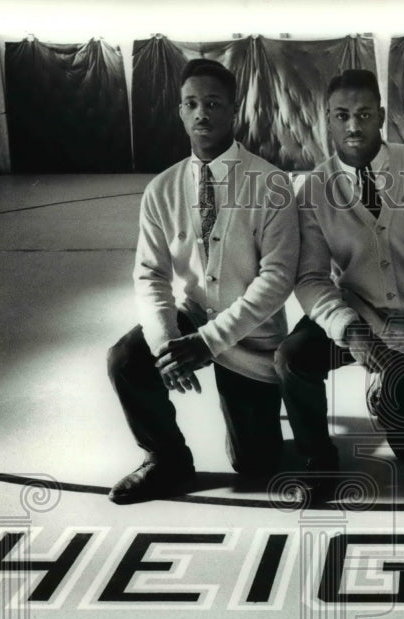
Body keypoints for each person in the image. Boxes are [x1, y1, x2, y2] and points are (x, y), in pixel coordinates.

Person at [274, 68, 404, 509]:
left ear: (381, 115)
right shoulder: (314, 190)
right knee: (291, 358)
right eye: (341, 115)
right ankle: (319, 461)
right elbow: (309, 278)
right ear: (326, 118)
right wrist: (348, 329)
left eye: (364, 114)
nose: (353, 126)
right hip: (362, 319)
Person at [107, 59, 299, 503]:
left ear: (234, 111)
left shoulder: (271, 183)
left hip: (250, 336)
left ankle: (252, 410)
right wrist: (166, 345)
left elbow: (277, 278)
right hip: (192, 316)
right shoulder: (162, 189)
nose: (202, 114)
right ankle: (165, 458)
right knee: (125, 359)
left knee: (255, 464)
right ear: (179, 111)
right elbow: (150, 274)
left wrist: (209, 343)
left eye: (213, 103)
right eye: (191, 104)